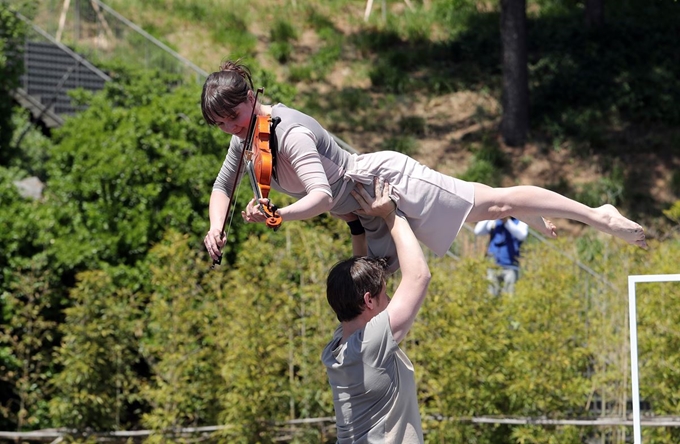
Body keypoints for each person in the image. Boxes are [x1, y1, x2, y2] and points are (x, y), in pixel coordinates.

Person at [202, 59, 647, 272]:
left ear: (252, 98)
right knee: (365, 285)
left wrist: (279, 213)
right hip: (362, 211)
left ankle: (595, 215)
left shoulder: (290, 133)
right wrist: (215, 227)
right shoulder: (246, 141)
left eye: (234, 119)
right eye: (221, 126)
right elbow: (223, 186)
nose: (231, 131)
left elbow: (318, 195)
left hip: (384, 183)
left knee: (493, 203)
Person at [322, 177, 430, 443]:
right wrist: (391, 215)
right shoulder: (370, 343)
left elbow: (357, 277)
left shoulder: (340, 345)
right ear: (369, 301)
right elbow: (418, 276)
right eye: (385, 293)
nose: (392, 298)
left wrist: (356, 227)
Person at [474, 217, 528, 295]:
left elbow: (522, 235)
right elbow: (477, 231)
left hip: (511, 266)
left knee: (509, 297)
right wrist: (490, 215)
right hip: (493, 265)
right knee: (491, 296)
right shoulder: (494, 220)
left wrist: (506, 221)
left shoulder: (520, 220)